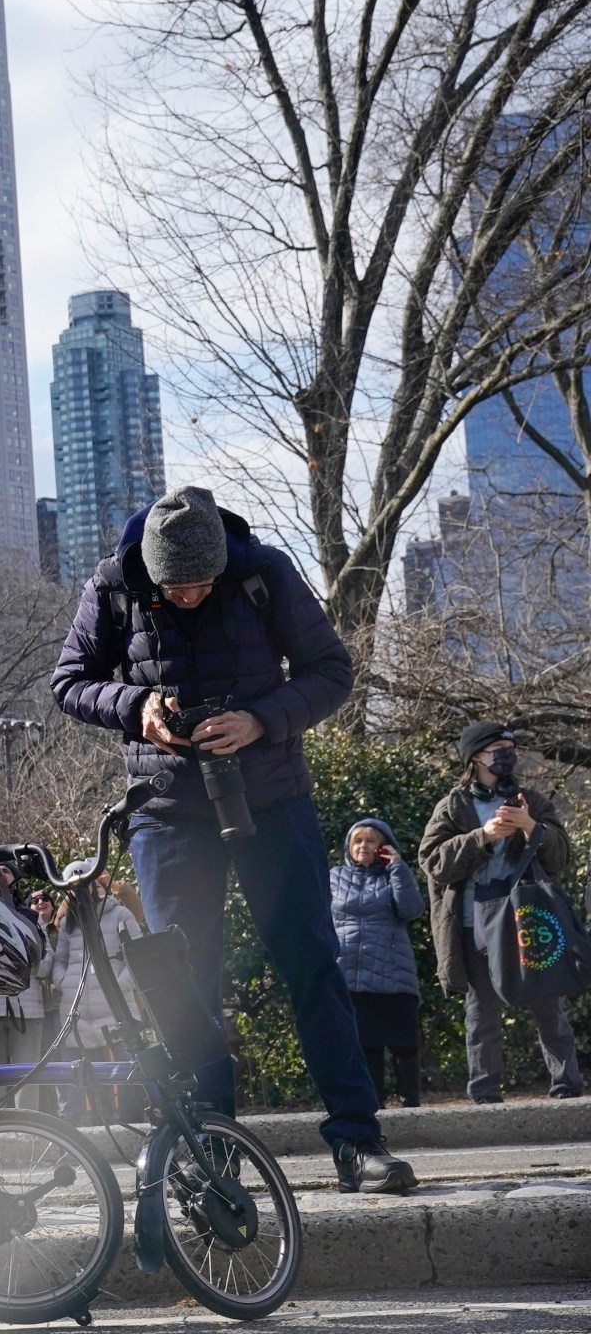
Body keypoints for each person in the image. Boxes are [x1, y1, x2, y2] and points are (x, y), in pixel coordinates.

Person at [52, 486, 415, 1193]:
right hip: (162, 808)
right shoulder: (112, 585)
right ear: (150, 571)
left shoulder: (263, 572)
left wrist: (261, 721)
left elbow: (331, 671)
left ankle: (357, 1140)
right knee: (184, 982)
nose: (190, 596)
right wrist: (137, 708)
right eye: (175, 586)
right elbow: (69, 681)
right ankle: (206, 1146)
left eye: (202, 583)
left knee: (312, 961)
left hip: (272, 797)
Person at [417, 723, 584, 1103]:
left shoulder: (532, 800)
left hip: (529, 918)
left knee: (548, 1005)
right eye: (498, 747)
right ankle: (485, 1097)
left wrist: (530, 827)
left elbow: (561, 856)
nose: (507, 753)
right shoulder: (453, 806)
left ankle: (568, 1089)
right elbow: (432, 862)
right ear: (476, 756)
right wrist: (484, 836)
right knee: (481, 1013)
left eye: (510, 746)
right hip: (474, 922)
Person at [332, 817, 426, 1108]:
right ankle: (375, 1107)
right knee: (365, 1045)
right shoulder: (333, 876)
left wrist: (397, 867)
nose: (363, 846)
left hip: (393, 971)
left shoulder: (393, 874)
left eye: (370, 840)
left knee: (404, 1043)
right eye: (357, 840)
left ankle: (411, 1103)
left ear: (383, 846)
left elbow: (412, 910)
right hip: (349, 973)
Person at [47, 874, 146, 1124]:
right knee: (88, 1077)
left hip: (118, 1006)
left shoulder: (120, 914)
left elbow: (137, 956)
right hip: (78, 1009)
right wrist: (64, 983)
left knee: (130, 1072)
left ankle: (134, 1125)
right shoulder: (68, 922)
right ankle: (98, 1129)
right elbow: (60, 960)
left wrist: (117, 986)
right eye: (72, 887)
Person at [0, 861, 54, 1080]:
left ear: (15, 880)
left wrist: (23, 963)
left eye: (5, 871)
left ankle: (26, 1117)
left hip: (29, 1011)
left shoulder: (32, 919)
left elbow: (46, 963)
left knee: (28, 1083)